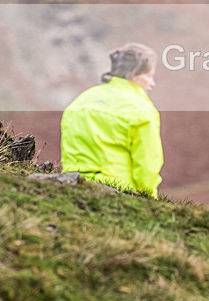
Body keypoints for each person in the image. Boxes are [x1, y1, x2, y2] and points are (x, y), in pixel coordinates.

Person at [60, 43, 163, 198]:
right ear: (134, 75)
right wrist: (150, 200)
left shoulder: (82, 100)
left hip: (71, 188)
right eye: (149, 76)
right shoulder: (141, 108)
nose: (152, 83)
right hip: (120, 194)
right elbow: (147, 164)